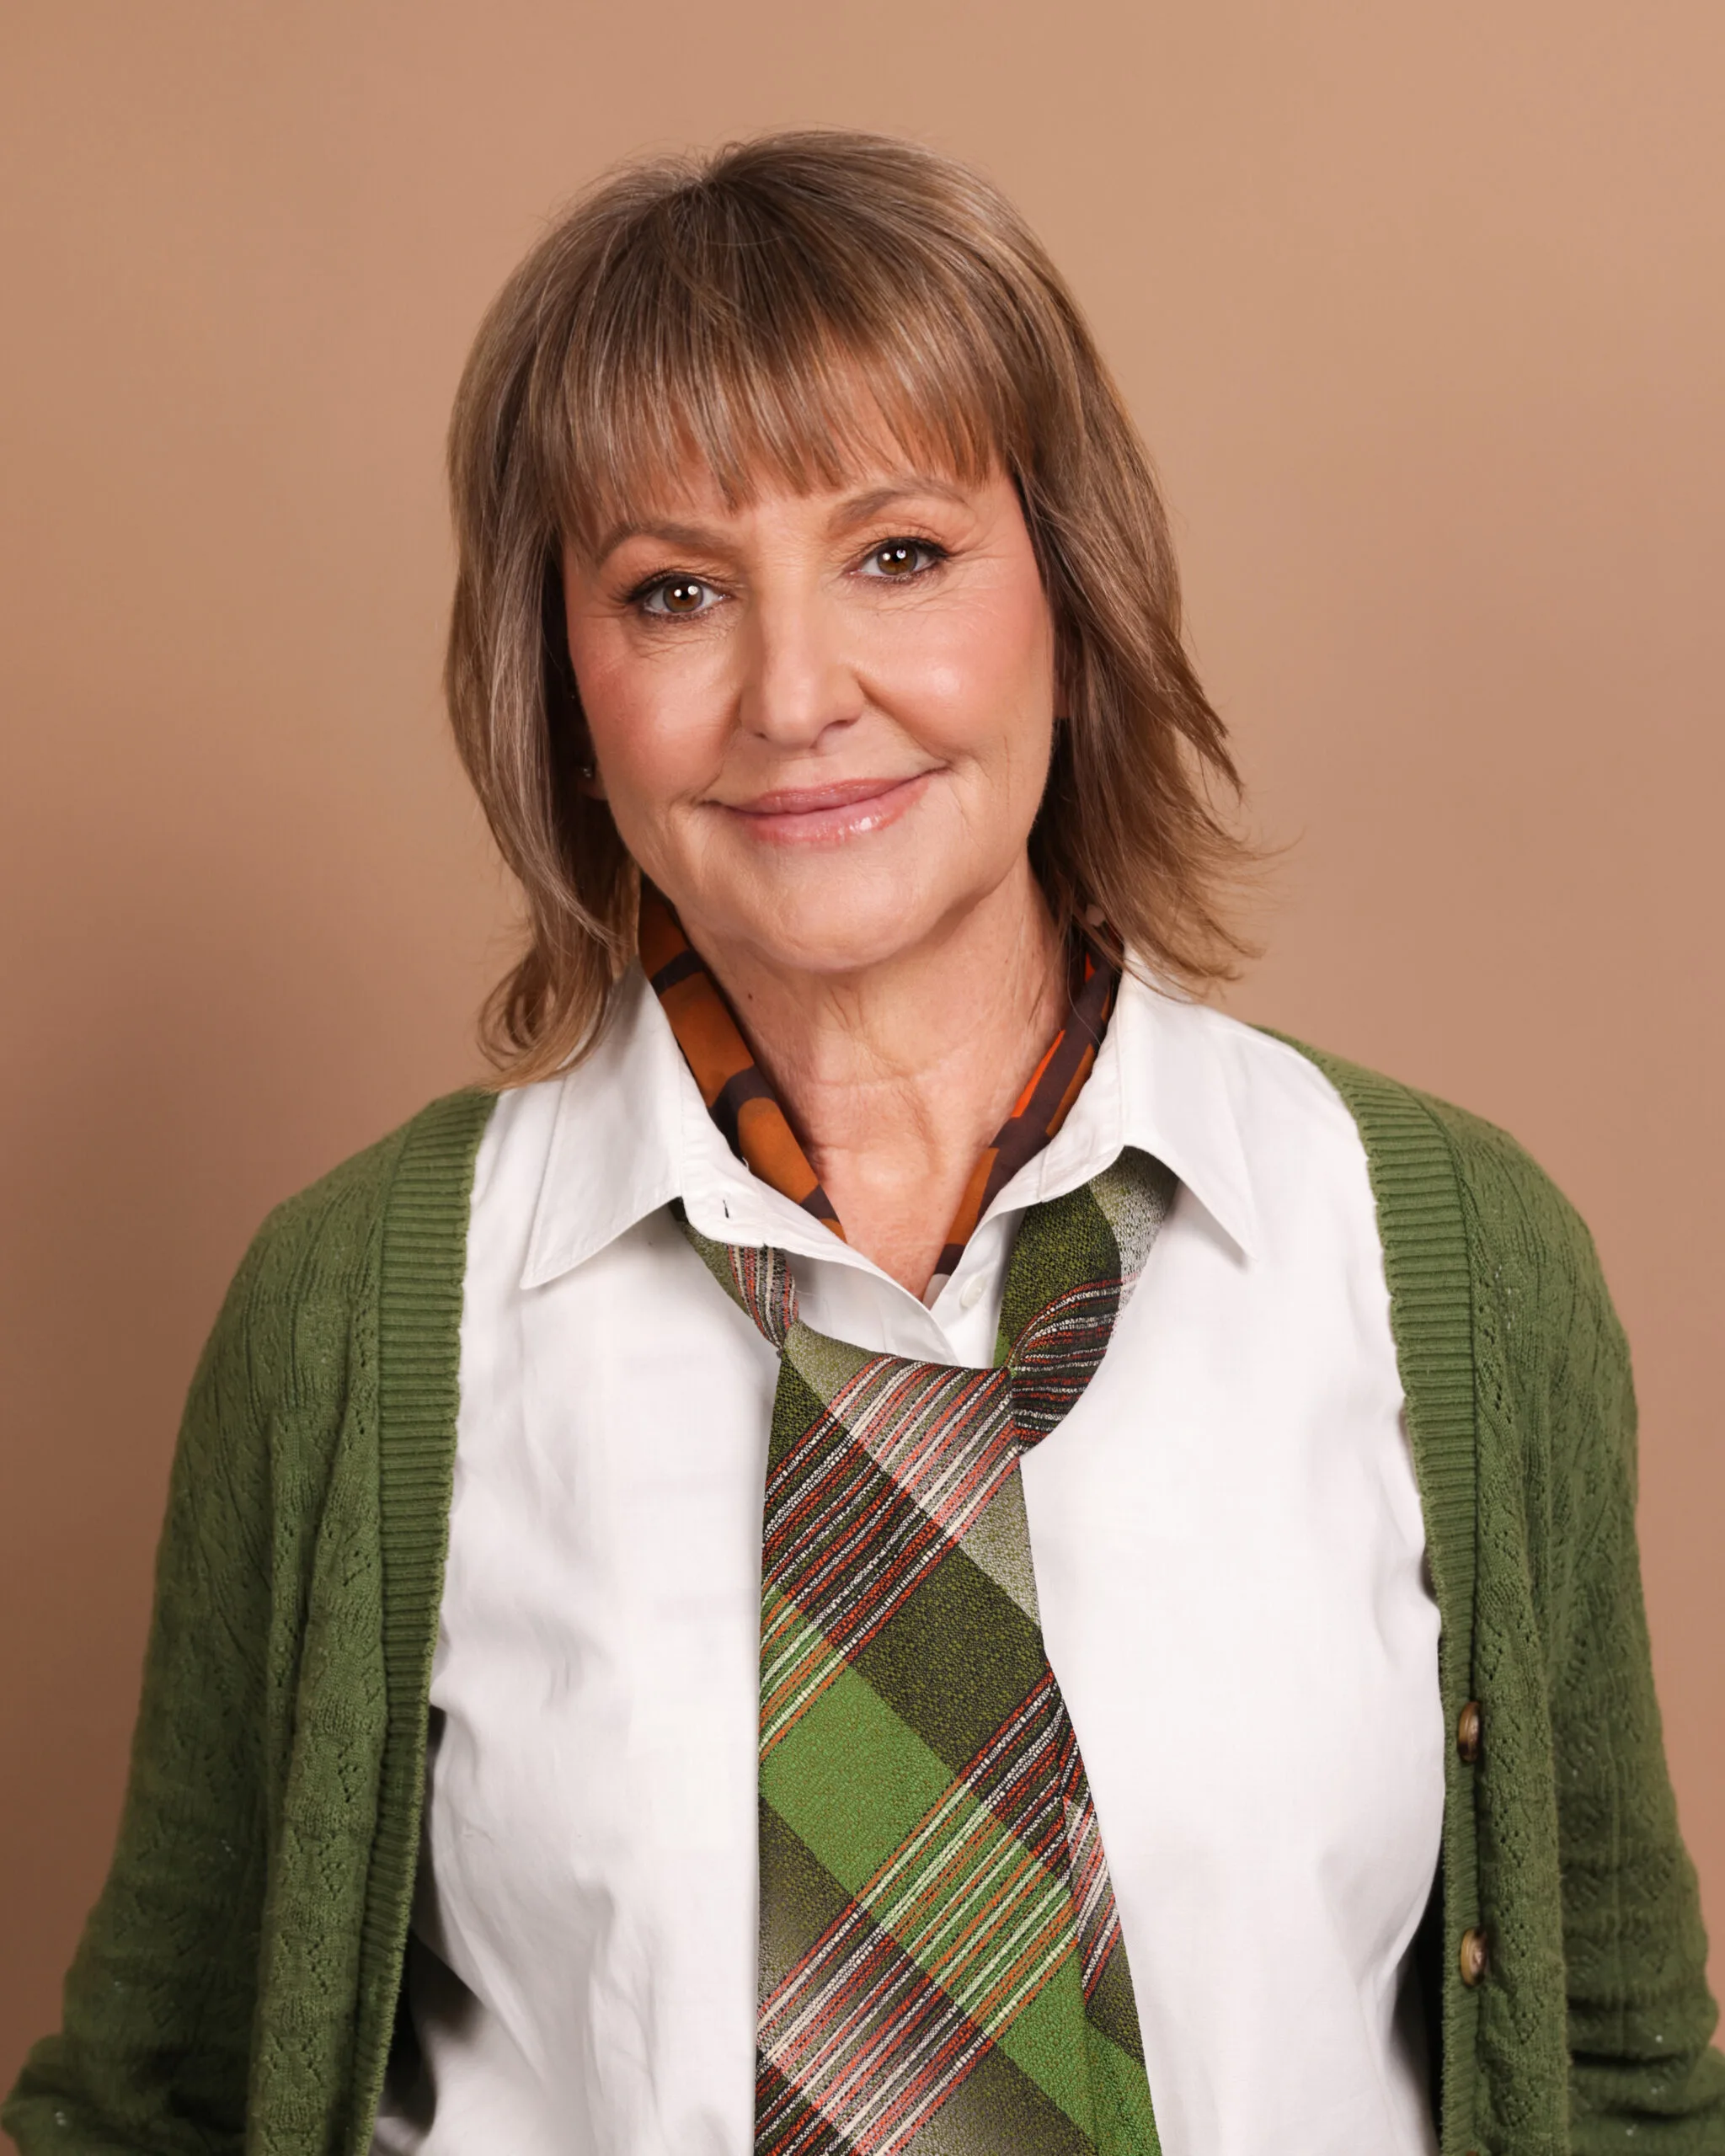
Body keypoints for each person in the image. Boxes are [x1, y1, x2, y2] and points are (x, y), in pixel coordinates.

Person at [6, 130, 1721, 2156]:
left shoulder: (1442, 1256)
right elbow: (161, 2099)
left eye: (897, 553)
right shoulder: (354, 1321)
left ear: (1067, 596)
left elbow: (1617, 2071)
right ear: (566, 684)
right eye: (671, 592)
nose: (795, 695)